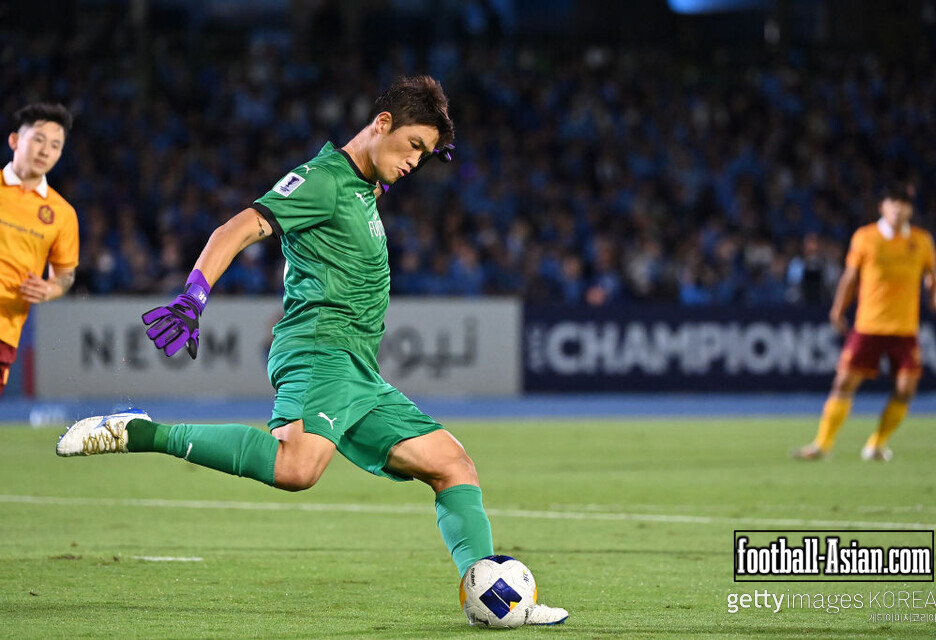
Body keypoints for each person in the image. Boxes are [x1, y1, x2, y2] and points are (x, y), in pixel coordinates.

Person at [56, 76, 567, 626]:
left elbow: (361, 202)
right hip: (320, 350)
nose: (415, 162)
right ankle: (141, 432)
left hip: (358, 369)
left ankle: (488, 593)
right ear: (383, 124)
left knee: (453, 465)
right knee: (296, 468)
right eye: (413, 146)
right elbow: (237, 228)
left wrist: (416, 145)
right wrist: (193, 298)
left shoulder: (366, 186)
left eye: (425, 154)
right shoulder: (323, 181)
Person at [792, 183, 936, 461]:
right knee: (844, 382)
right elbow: (850, 277)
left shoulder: (921, 240)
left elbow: (933, 273)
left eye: (904, 203)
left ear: (910, 209)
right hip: (869, 325)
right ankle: (822, 444)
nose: (898, 208)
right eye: (893, 202)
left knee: (906, 389)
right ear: (882, 207)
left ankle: (877, 444)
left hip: (904, 328)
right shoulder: (865, 237)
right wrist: (838, 310)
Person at [0, 103, 78, 396]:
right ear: (14, 140)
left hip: (4, 331)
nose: (46, 151)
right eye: (38, 139)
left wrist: (48, 289)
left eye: (55, 146)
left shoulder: (62, 214)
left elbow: (65, 275)